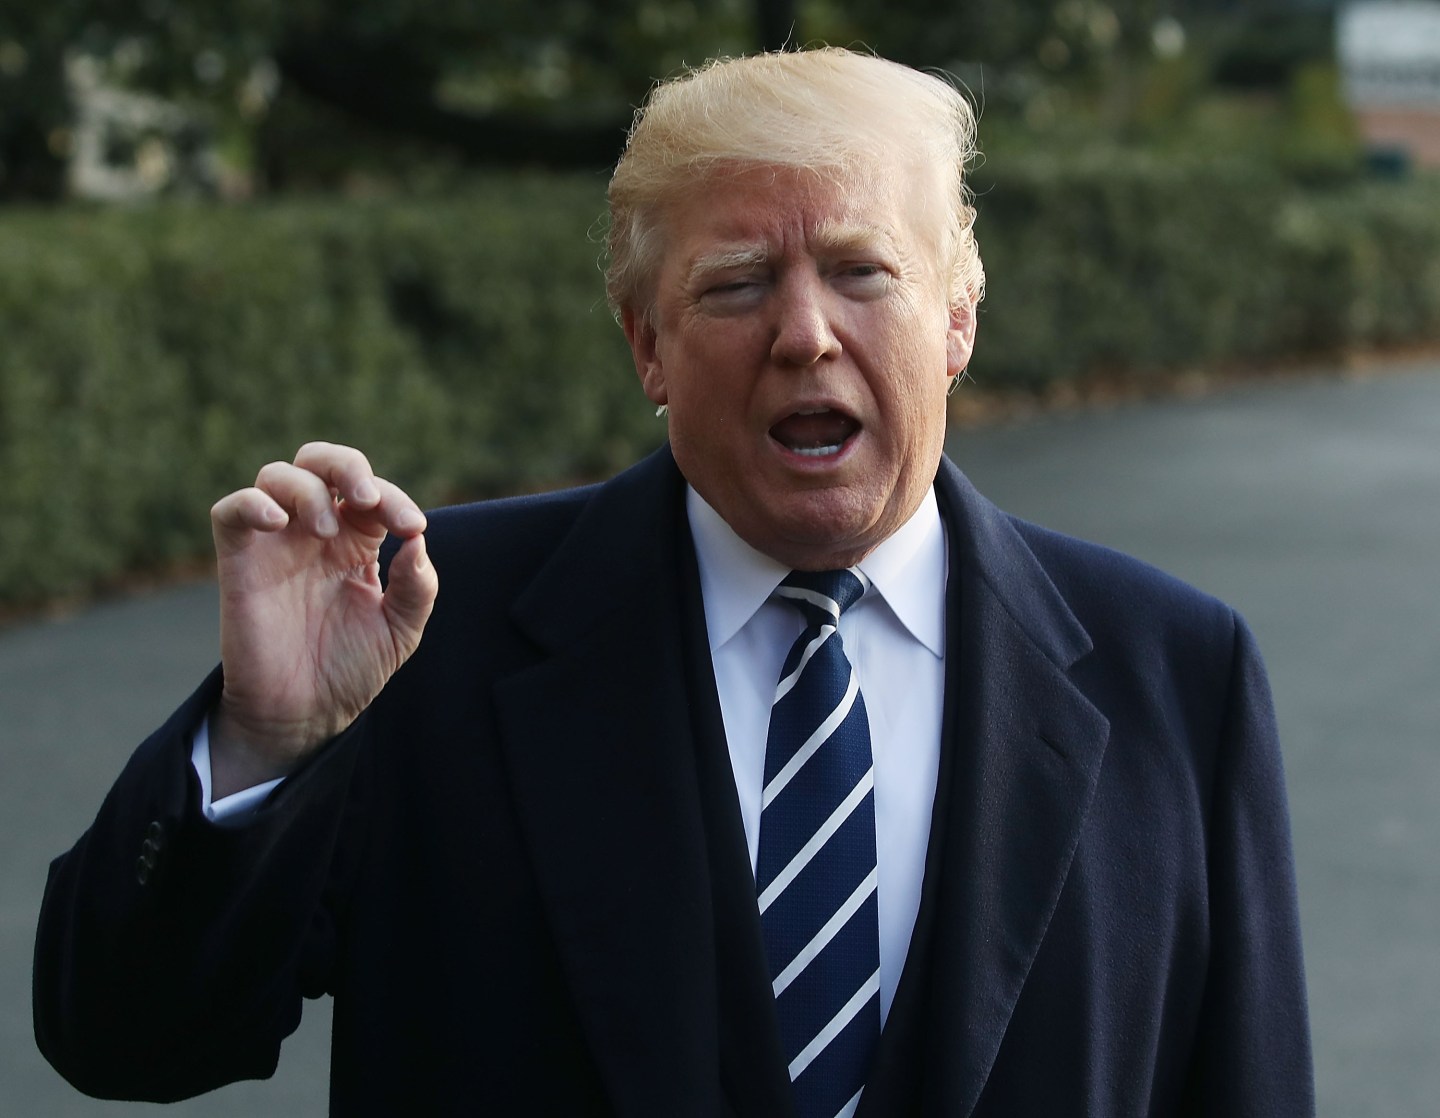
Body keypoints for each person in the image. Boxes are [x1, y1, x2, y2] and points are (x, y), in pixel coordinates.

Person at [34, 47, 1314, 1117]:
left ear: (960, 319)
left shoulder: (1177, 673)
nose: (806, 330)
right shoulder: (422, 627)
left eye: (864, 271)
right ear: (647, 343)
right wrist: (267, 739)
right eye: (739, 283)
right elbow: (125, 1037)